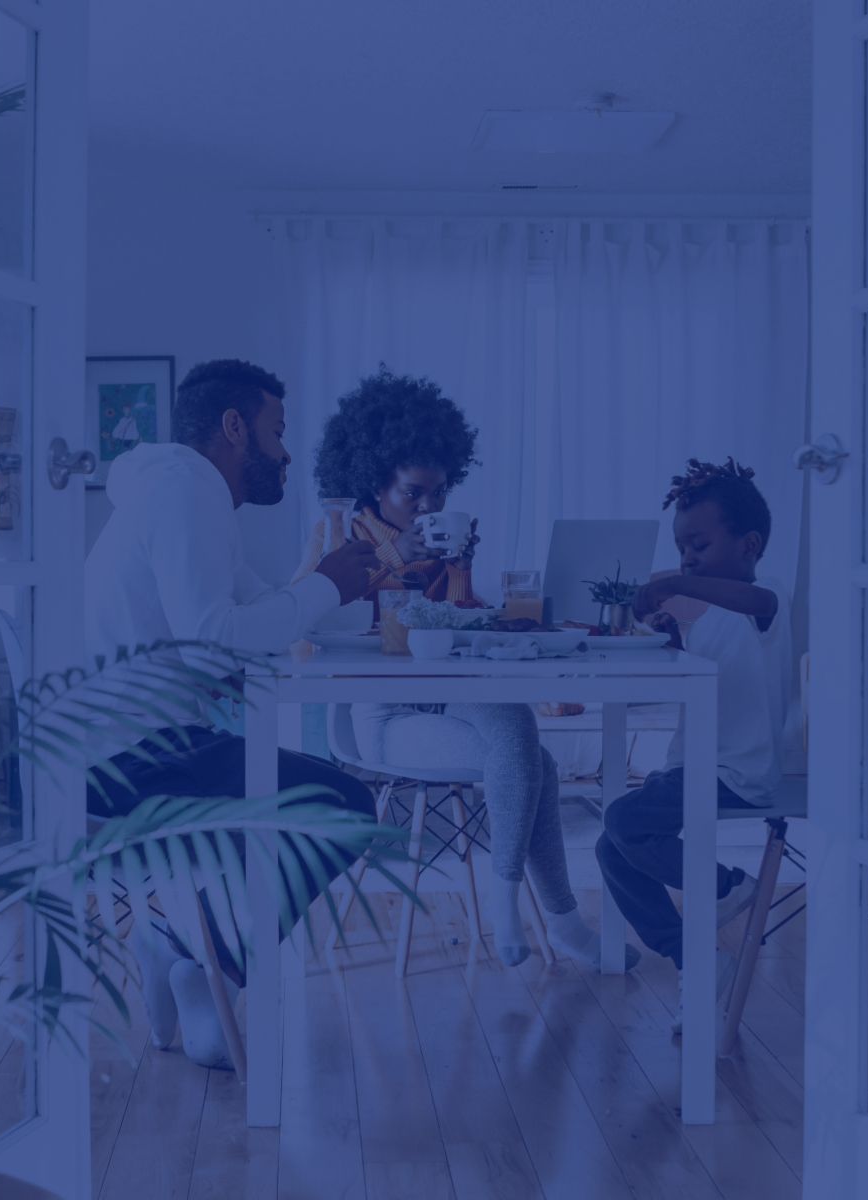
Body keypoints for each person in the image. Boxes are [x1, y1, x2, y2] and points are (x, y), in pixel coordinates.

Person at [84, 358, 380, 1068]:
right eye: (277, 432)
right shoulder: (188, 492)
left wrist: (336, 591)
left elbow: (254, 615)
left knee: (310, 798)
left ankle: (188, 950)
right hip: (115, 763)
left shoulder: (179, 491)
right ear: (234, 427)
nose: (284, 454)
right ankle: (196, 957)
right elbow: (219, 637)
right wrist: (328, 586)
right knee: (343, 805)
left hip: (123, 745)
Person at [296, 367, 633, 971]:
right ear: (374, 482)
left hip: (450, 693)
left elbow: (452, 629)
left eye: (439, 493)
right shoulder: (339, 535)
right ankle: (551, 920)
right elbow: (315, 618)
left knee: (517, 730)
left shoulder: (441, 539)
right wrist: (398, 556)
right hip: (384, 713)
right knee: (533, 760)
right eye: (413, 493)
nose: (429, 506)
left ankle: (518, 909)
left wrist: (464, 579)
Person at [595, 457, 793, 1032]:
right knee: (612, 847)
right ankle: (697, 959)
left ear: (750, 545)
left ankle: (729, 887)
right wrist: (669, 635)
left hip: (737, 771)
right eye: (682, 548)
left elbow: (753, 606)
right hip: (691, 765)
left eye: (699, 545)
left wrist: (678, 584)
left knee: (625, 822)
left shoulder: (768, 600)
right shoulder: (709, 619)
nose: (686, 558)